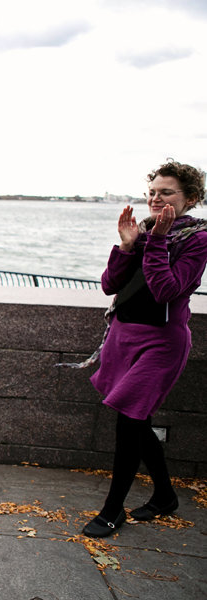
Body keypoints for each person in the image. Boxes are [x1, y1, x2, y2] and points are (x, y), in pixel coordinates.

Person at [82, 159, 207, 538]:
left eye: (166, 192)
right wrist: (126, 244)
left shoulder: (197, 238)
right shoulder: (146, 231)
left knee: (129, 421)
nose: (155, 198)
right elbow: (110, 285)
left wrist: (154, 242)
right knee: (140, 423)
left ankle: (111, 510)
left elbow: (166, 290)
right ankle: (166, 496)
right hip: (124, 336)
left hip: (161, 342)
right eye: (152, 192)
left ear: (192, 198)